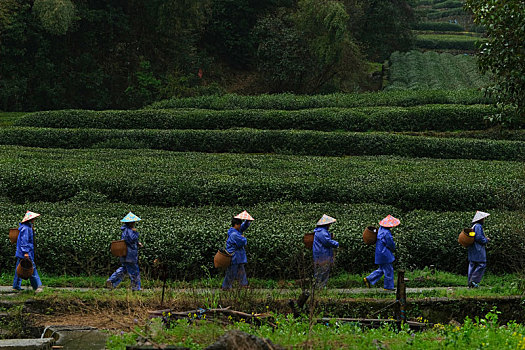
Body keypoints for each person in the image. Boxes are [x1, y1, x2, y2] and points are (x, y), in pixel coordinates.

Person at [106, 212, 143, 291]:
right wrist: (135, 232)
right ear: (131, 223)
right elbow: (131, 239)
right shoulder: (130, 230)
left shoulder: (125, 230)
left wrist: (137, 243)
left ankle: (112, 281)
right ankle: (136, 288)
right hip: (130, 254)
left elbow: (127, 240)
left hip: (125, 253)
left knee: (124, 269)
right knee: (134, 271)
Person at [364, 215, 400, 291]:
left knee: (382, 269)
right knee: (389, 270)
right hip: (385, 254)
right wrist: (394, 248)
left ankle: (369, 279)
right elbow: (390, 244)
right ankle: (388, 287)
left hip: (379, 253)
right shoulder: (387, 233)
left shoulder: (380, 229)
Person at [221, 211, 254, 290]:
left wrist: (247, 220)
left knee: (241, 271)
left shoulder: (234, 231)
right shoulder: (234, 234)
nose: (240, 226)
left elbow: (243, 227)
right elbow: (242, 241)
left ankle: (243, 285)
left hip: (237, 256)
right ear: (236, 225)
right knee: (231, 272)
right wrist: (243, 237)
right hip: (234, 257)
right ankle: (226, 287)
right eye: (239, 224)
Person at [13, 211, 44, 293]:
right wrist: (26, 252)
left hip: (21, 252)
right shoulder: (26, 229)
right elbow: (24, 241)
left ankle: (16, 286)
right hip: (25, 252)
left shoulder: (26, 227)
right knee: (32, 268)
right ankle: (37, 286)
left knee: (19, 268)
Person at [312, 214, 339, 289]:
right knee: (323, 270)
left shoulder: (320, 231)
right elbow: (327, 241)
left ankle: (318, 286)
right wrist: (336, 244)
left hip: (320, 253)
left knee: (320, 270)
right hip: (322, 254)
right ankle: (320, 286)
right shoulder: (322, 232)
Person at [468, 211, 490, 288]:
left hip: (472, 249)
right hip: (478, 249)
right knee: (481, 264)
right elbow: (479, 237)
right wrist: (486, 240)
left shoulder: (473, 226)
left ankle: (470, 282)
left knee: (472, 264)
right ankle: (473, 281)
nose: (484, 220)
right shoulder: (478, 226)